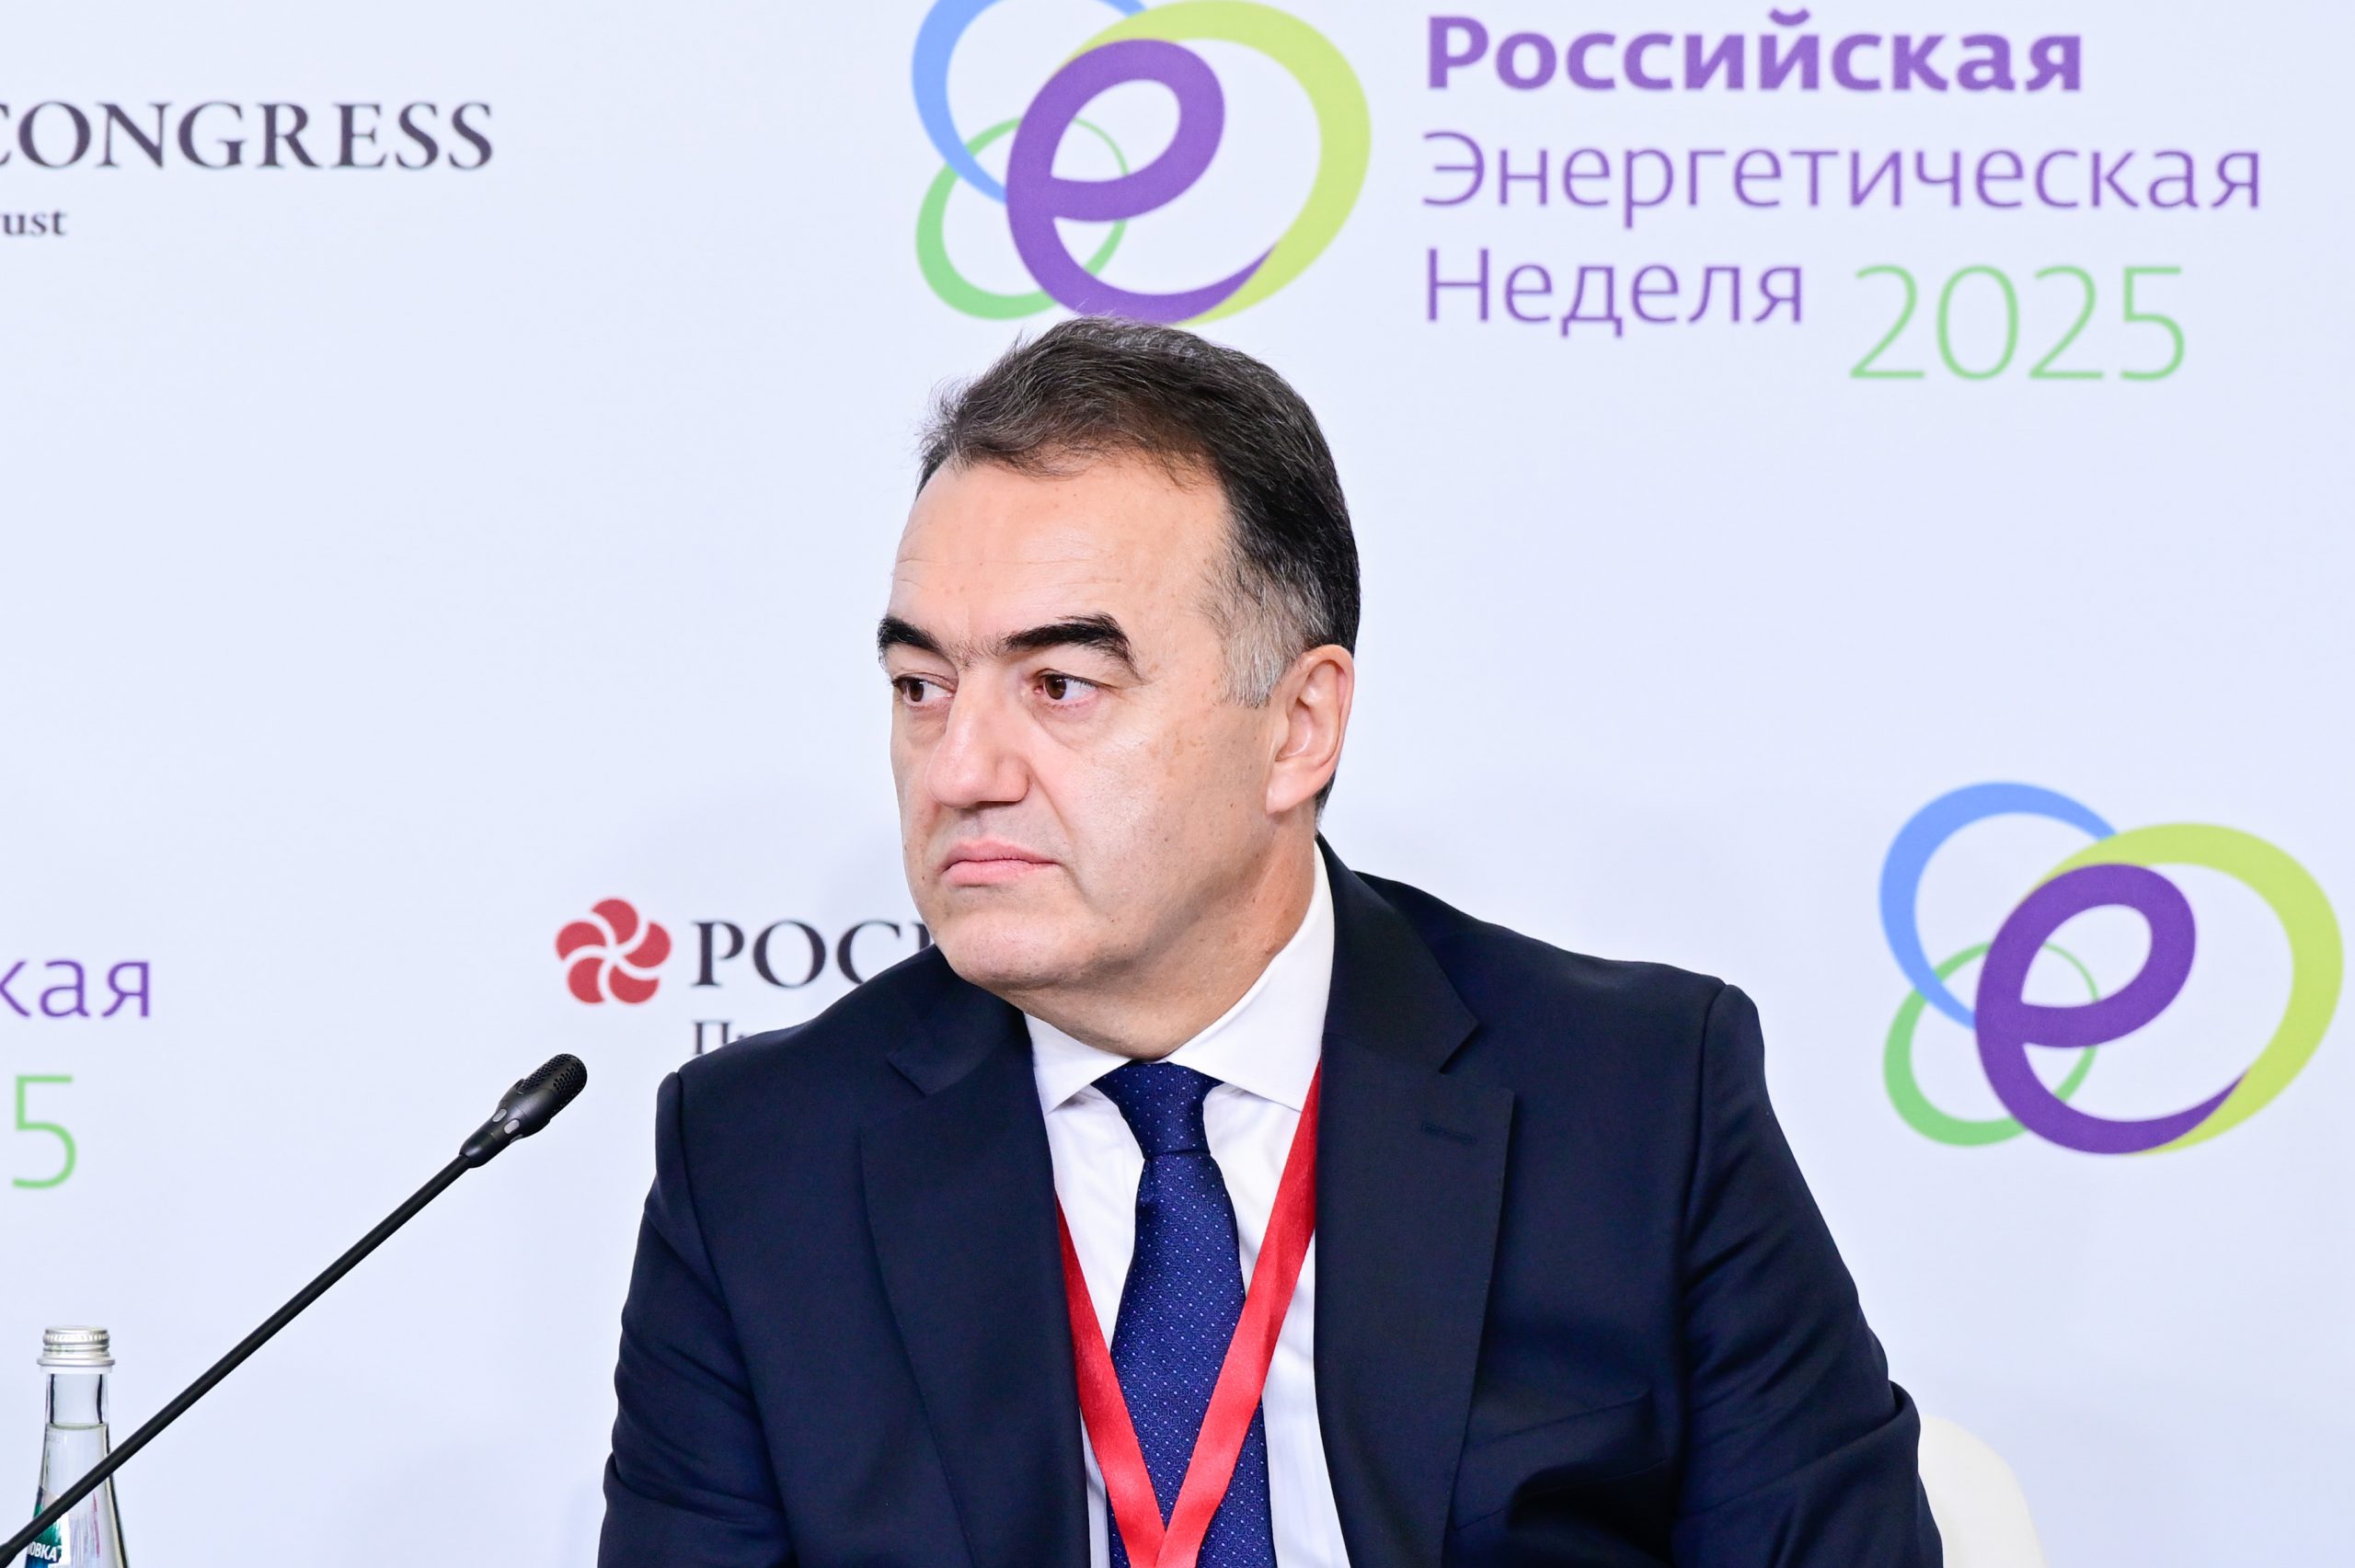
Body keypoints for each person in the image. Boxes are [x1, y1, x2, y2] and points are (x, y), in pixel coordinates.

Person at [597, 316, 1943, 1567]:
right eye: (921, 687)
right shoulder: (764, 1163)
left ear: (1300, 727)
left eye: (1060, 684)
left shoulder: (1635, 1101)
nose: (960, 769)